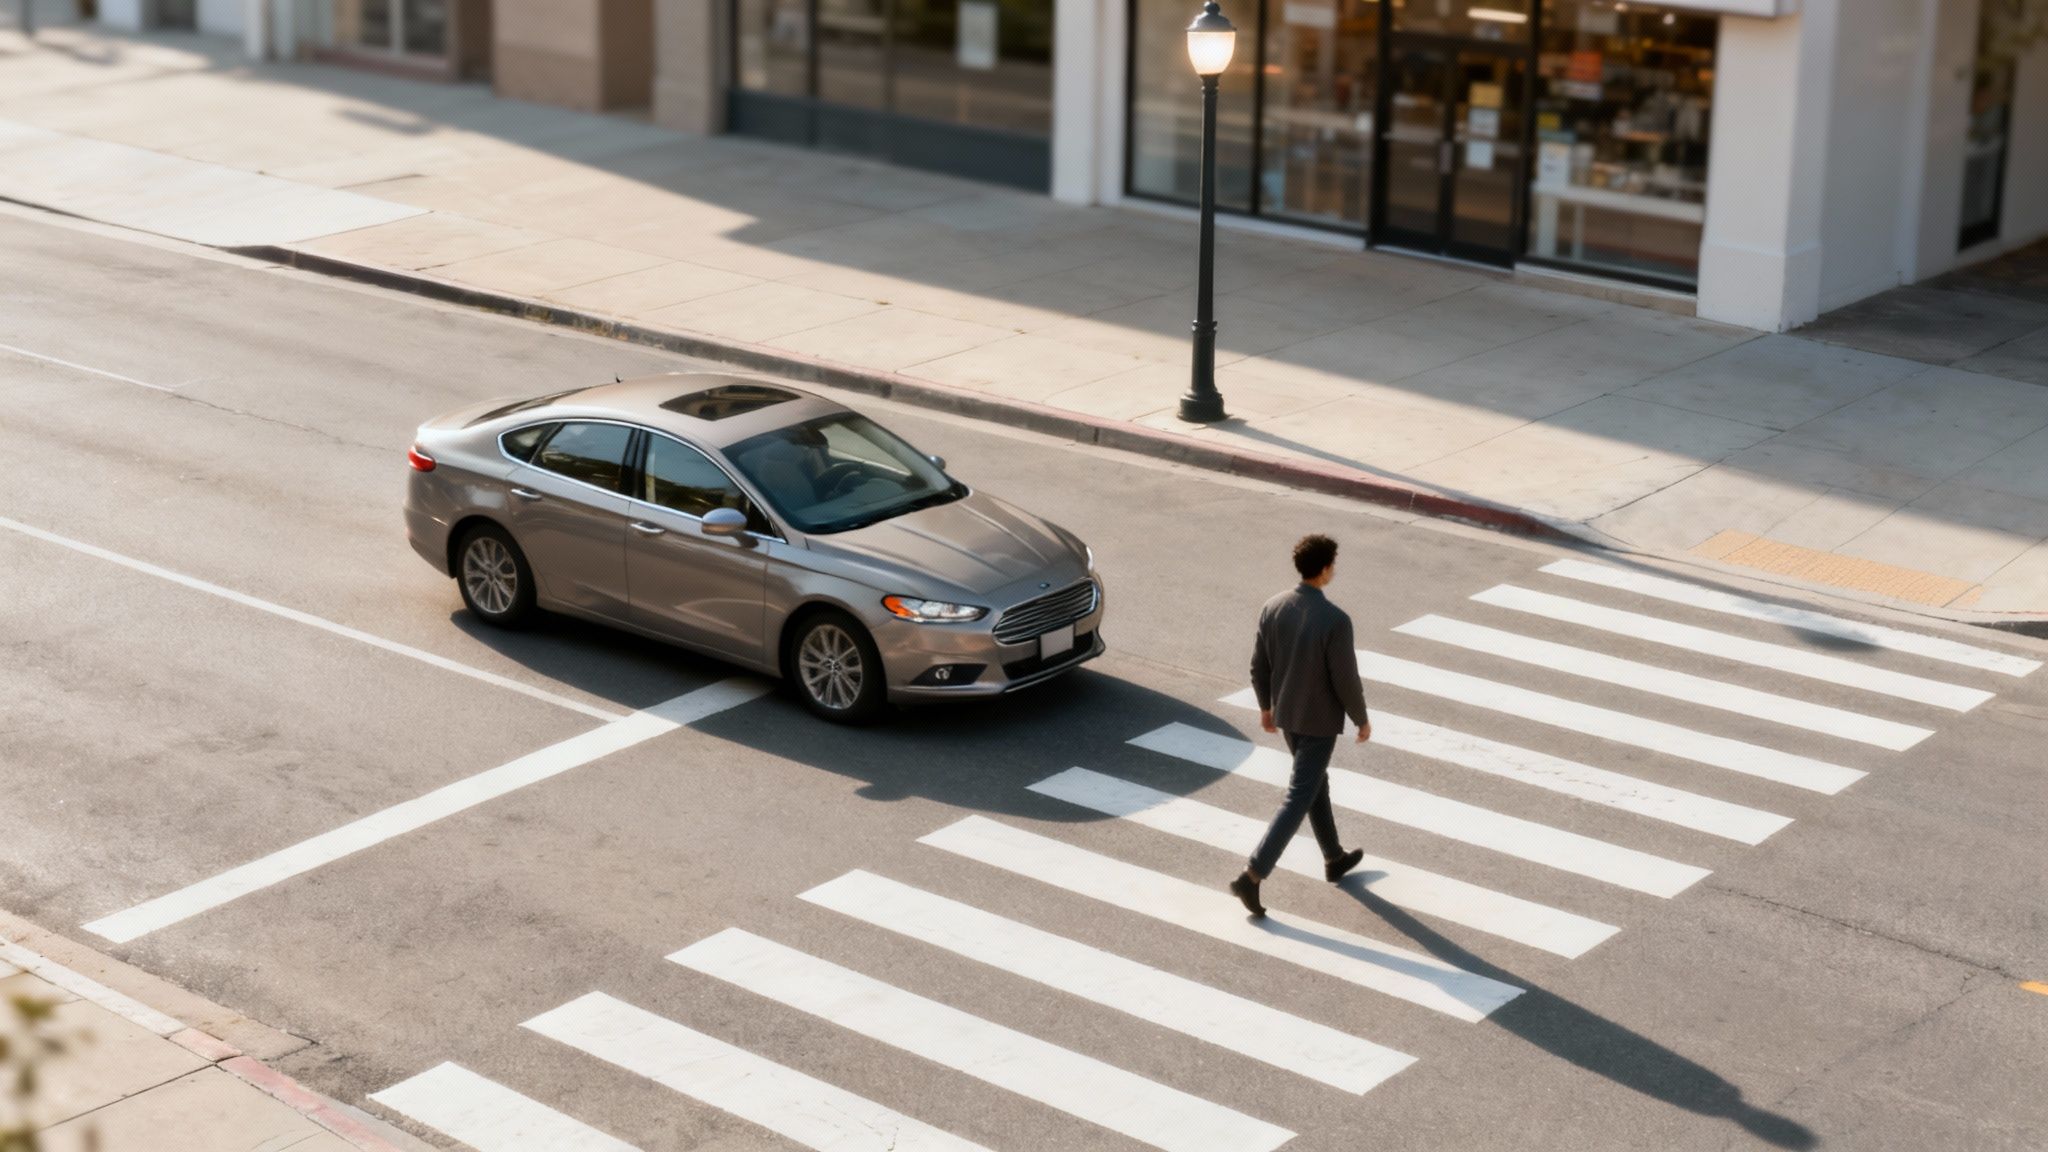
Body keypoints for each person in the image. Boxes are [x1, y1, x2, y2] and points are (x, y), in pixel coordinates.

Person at [1229, 534, 1371, 917]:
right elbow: (1345, 678)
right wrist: (1361, 718)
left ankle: (1333, 857)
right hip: (1319, 722)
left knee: (1313, 784)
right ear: (1325, 569)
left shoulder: (1273, 607)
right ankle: (1253, 874)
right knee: (1298, 796)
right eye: (1334, 564)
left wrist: (1265, 706)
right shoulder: (1336, 621)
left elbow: (1259, 665)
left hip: (1288, 716)